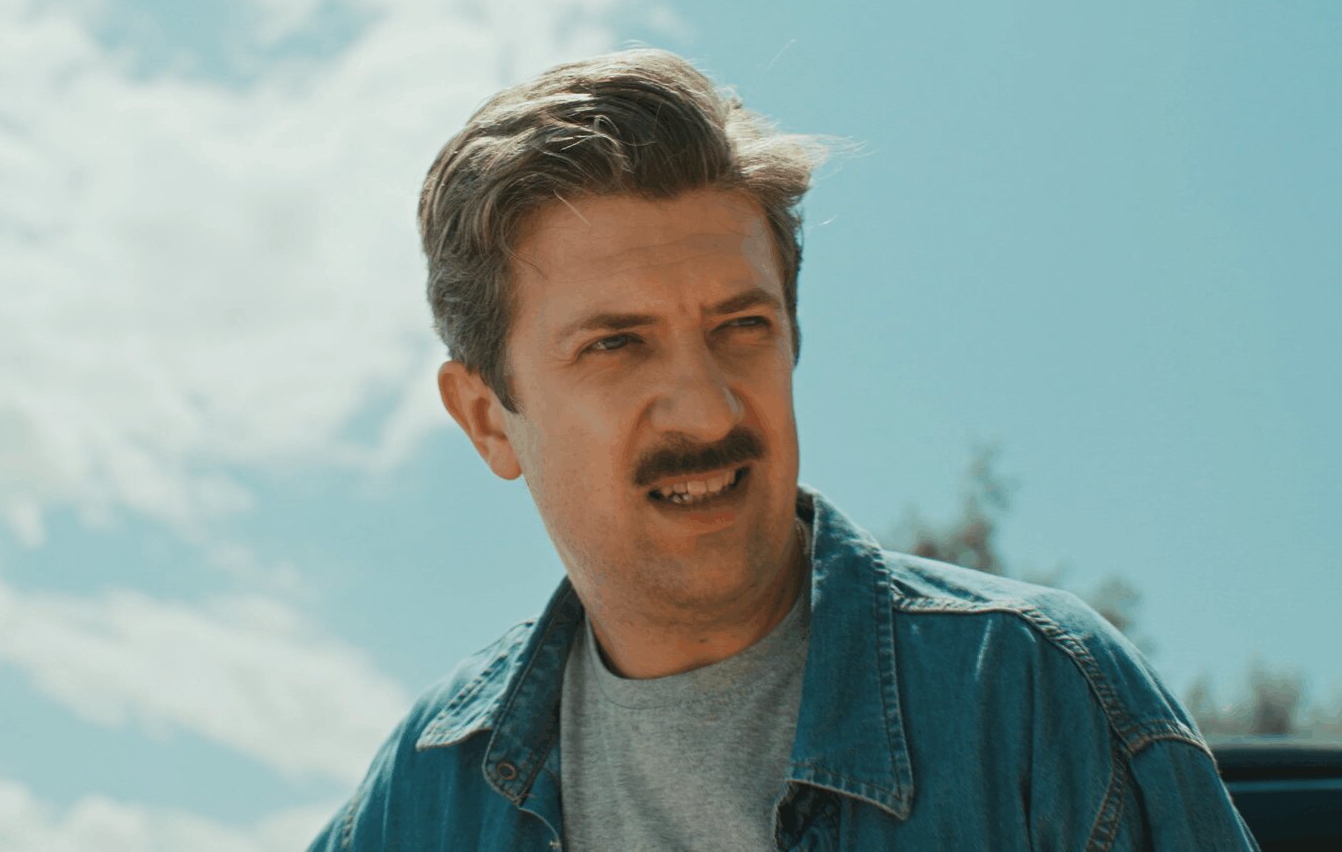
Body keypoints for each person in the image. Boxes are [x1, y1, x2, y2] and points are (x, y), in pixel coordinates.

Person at [307, 49, 1259, 850]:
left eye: (741, 327)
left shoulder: (1034, 701)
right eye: (617, 344)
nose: (705, 407)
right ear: (486, 418)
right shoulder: (423, 799)